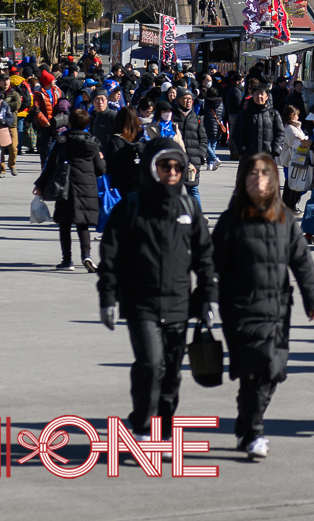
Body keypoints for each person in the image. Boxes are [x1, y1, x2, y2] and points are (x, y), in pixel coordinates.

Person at [97, 137, 216, 440]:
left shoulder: (189, 206)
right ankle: (141, 423)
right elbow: (110, 257)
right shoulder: (130, 208)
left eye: (177, 166)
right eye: (165, 165)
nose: (172, 172)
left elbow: (205, 258)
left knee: (171, 374)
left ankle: (162, 427)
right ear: (152, 168)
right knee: (151, 365)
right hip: (141, 303)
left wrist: (207, 299)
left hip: (178, 303)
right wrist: (107, 298)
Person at [212, 153, 314, 460]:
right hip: (240, 307)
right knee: (256, 367)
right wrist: (206, 299)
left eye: (264, 174)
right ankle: (255, 432)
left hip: (277, 307)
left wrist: (313, 298)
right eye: (251, 174)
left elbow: (301, 260)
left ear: (274, 181)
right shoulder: (231, 219)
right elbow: (212, 264)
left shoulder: (285, 218)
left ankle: (245, 421)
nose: (258, 180)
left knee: (273, 371)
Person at [39, 108, 105, 271]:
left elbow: (51, 164)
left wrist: (40, 184)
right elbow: (100, 170)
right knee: (83, 224)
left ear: (70, 122)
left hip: (65, 185)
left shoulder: (62, 140)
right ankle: (86, 255)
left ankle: (67, 260)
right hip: (87, 186)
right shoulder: (93, 142)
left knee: (65, 223)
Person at [231, 81, 286, 162]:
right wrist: (243, 150)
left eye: (262, 94)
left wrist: (275, 150)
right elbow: (237, 134)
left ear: (267, 96)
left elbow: (280, 133)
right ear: (252, 96)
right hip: (248, 158)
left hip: (268, 157)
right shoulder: (244, 114)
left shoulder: (273, 114)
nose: (259, 96)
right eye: (256, 94)